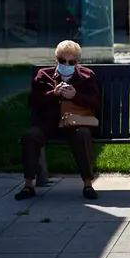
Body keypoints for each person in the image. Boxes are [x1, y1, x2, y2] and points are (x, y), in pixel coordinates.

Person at [15, 40, 99, 201]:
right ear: (56, 60)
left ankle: (88, 184)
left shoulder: (87, 76)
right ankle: (28, 185)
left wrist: (76, 96)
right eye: (62, 60)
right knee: (30, 136)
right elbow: (33, 101)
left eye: (71, 62)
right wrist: (53, 94)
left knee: (82, 135)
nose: (66, 64)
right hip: (47, 123)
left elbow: (95, 102)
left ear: (77, 62)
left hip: (75, 122)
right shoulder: (43, 75)